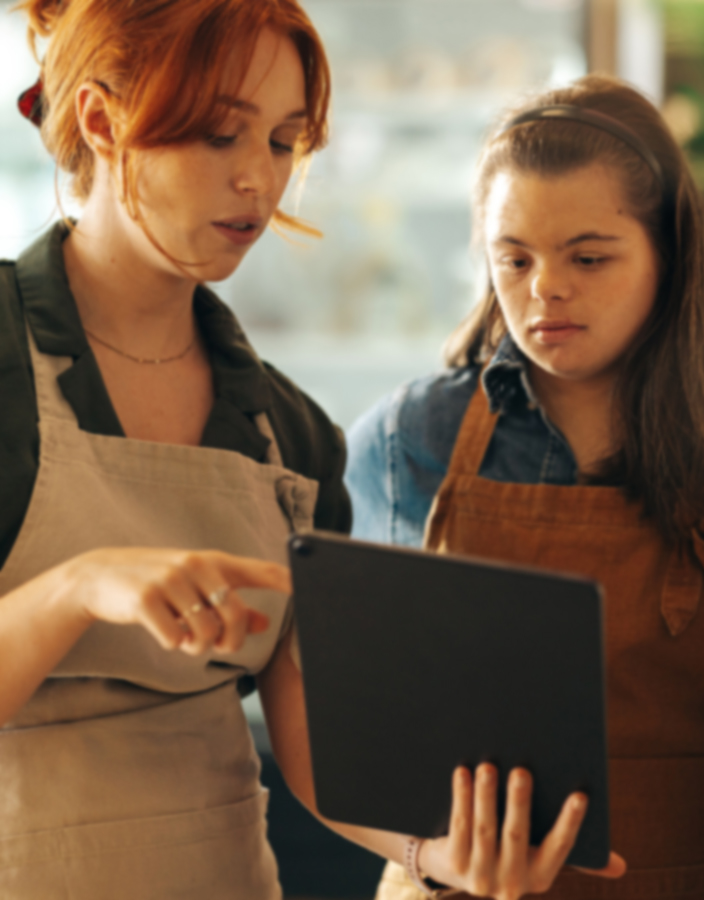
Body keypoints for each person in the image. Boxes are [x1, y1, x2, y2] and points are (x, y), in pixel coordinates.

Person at [0, 1, 619, 897]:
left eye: (285, 143)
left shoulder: (288, 433)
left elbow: (320, 755)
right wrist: (77, 586)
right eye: (220, 136)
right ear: (100, 121)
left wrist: (443, 856)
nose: (260, 180)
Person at [346, 74, 704, 900]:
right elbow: (355, 737)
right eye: (513, 259)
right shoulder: (400, 446)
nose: (545, 287)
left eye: (588, 257)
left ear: (669, 252)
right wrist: (422, 853)